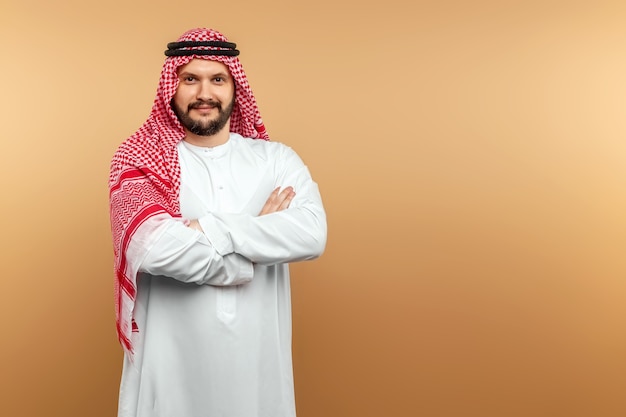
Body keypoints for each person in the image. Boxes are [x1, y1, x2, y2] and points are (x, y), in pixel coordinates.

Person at [108, 27, 327, 417]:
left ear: (234, 88)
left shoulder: (276, 159)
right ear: (171, 88)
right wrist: (258, 238)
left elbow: (311, 233)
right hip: (170, 372)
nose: (204, 93)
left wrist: (207, 228)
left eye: (217, 79)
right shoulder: (139, 161)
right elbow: (157, 250)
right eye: (190, 79)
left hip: (259, 374)